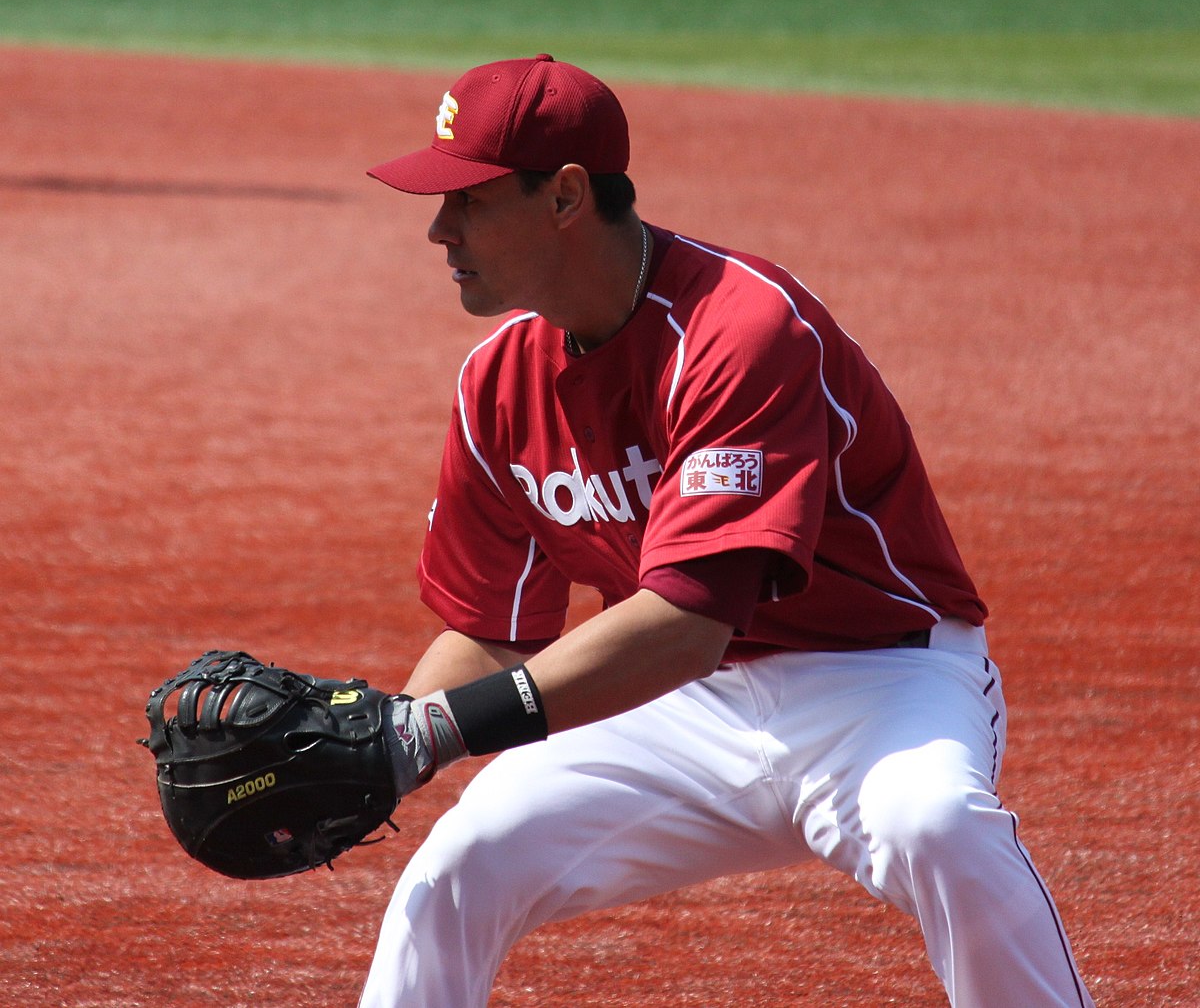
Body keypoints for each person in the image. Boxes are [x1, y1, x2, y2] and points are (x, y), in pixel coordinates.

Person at [359, 54, 1093, 1007]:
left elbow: (689, 617)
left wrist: (436, 732)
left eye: (470, 199)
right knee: (461, 863)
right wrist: (379, 747)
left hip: (875, 680)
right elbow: (494, 630)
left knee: (937, 825)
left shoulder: (740, 328)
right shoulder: (495, 381)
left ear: (567, 197)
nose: (437, 227)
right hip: (676, 708)